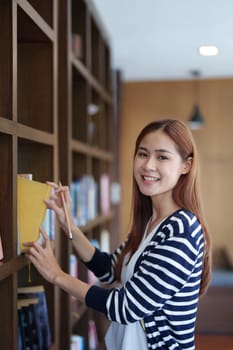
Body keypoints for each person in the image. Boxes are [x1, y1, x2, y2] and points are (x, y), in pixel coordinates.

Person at [25, 119, 212, 349]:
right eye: (143, 154)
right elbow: (110, 270)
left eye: (162, 157)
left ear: (186, 165)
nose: (148, 165)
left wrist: (57, 276)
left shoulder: (182, 230)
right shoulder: (151, 222)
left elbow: (125, 307)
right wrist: (70, 225)